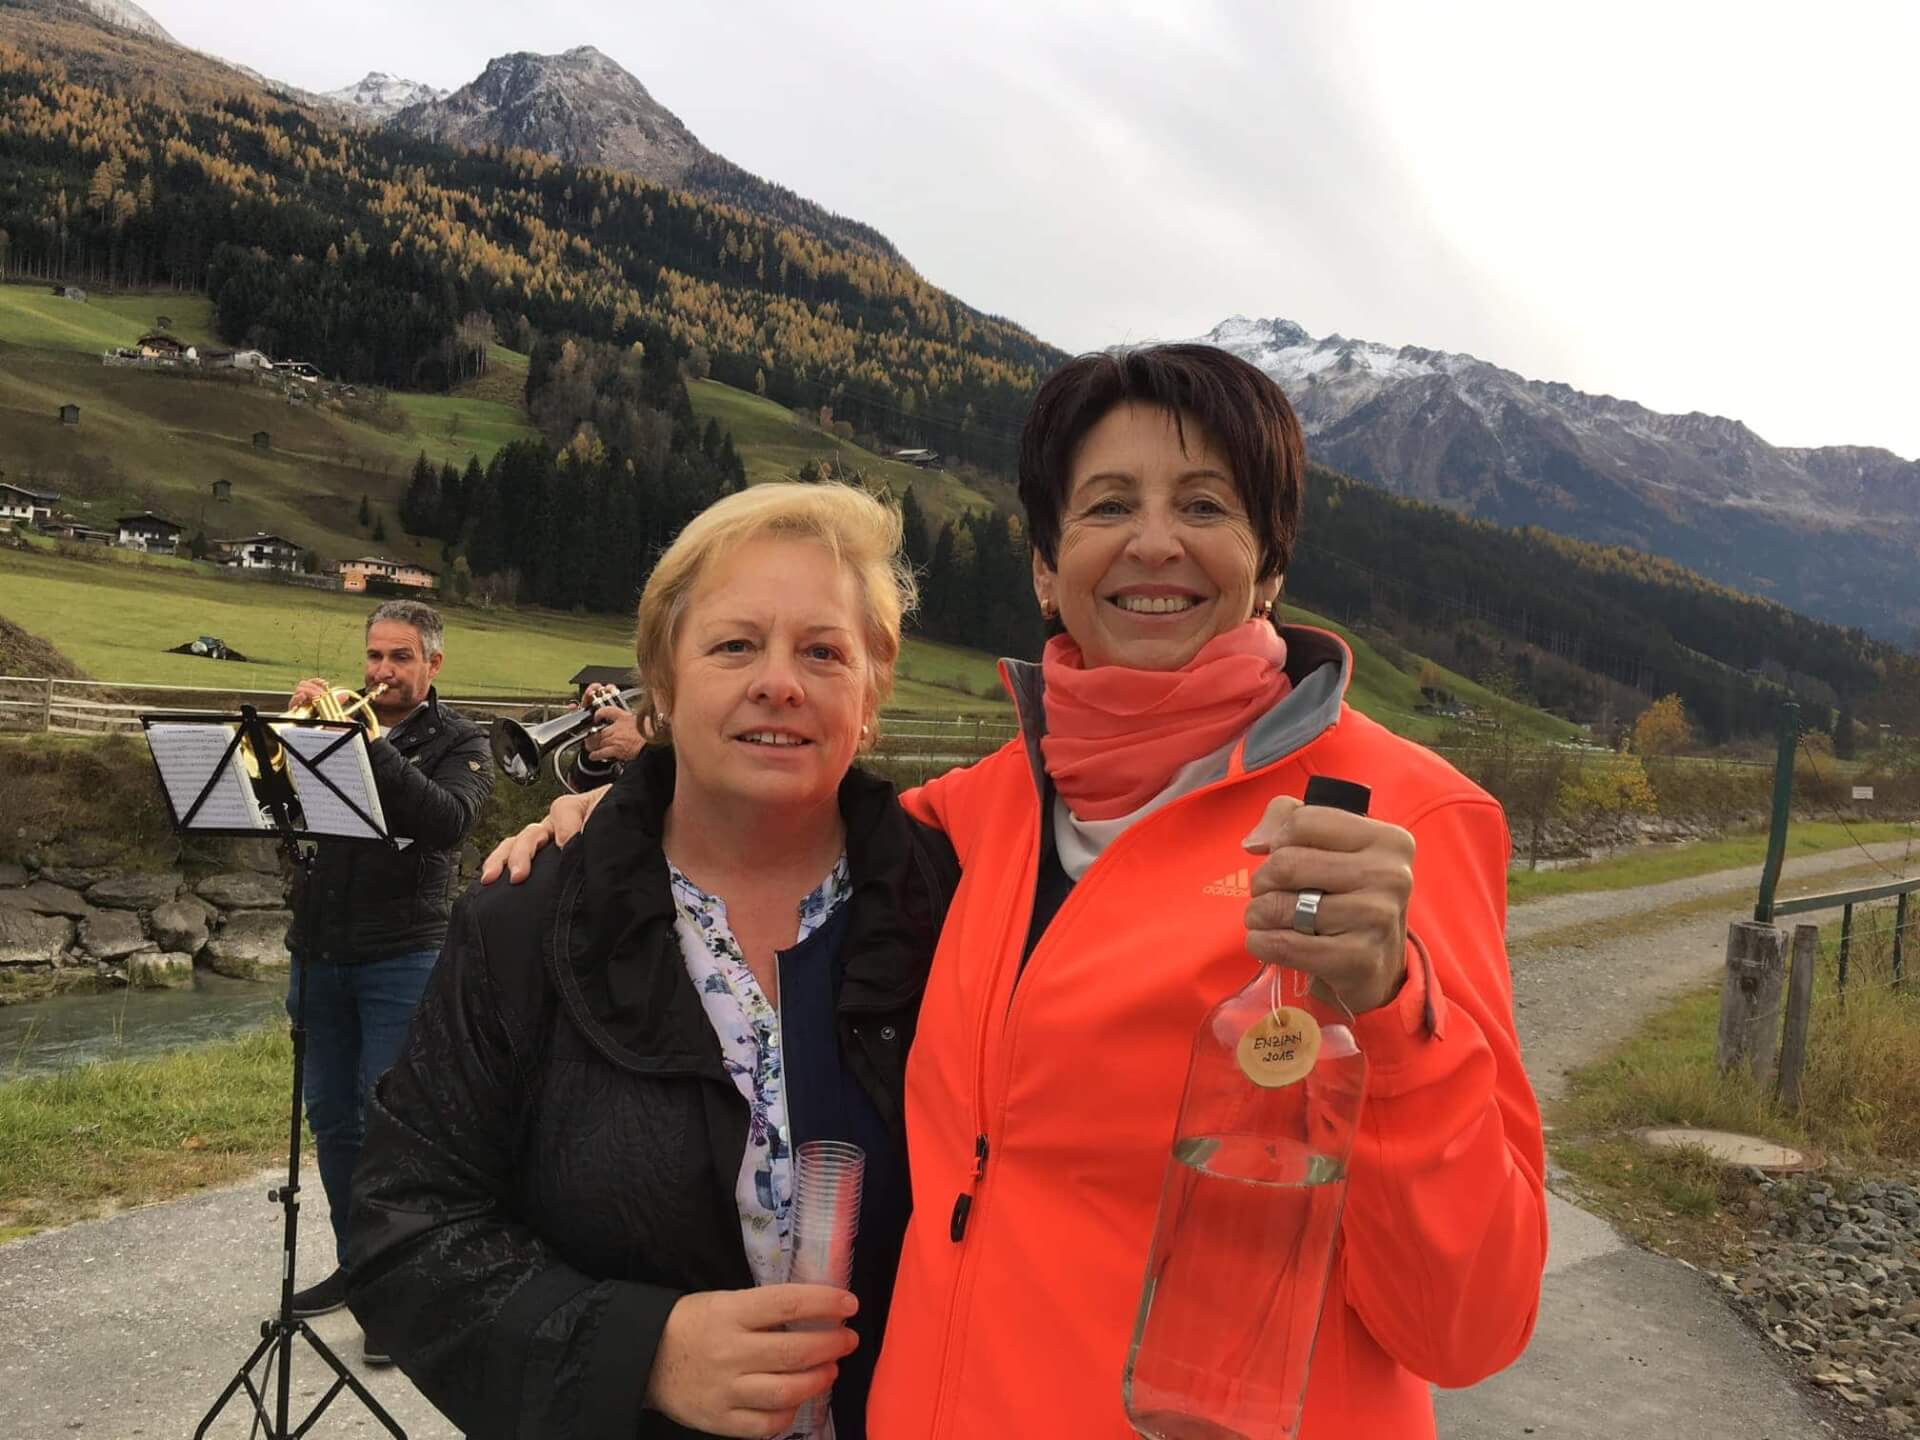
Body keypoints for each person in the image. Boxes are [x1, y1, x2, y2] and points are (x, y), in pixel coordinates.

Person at [490, 344, 1548, 1438]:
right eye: (1107, 505)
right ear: (1047, 567)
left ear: (1268, 561)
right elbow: (774, 823)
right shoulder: (979, 811)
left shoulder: (1395, 821)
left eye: (1204, 504)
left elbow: (1468, 1327)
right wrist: (627, 821)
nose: (1154, 541)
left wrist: (1396, 1015)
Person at [345, 484, 960, 1438]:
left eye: (824, 651)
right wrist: (638, 1351)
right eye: (734, 645)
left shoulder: (965, 906)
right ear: (662, 686)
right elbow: (404, 1231)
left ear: (871, 693)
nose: (780, 682)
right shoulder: (526, 922)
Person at [283, 598, 494, 1352]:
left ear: (433, 663)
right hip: (318, 949)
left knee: (391, 1126)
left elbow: (448, 820)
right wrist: (288, 745)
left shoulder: (462, 740)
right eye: (374, 655)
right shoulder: (334, 728)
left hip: (403, 955)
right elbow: (285, 813)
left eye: (400, 657)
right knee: (331, 1118)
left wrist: (366, 745)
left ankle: (398, 1286)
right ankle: (357, 1265)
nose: (381, 671)